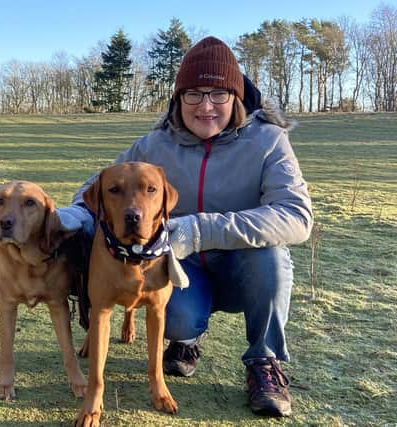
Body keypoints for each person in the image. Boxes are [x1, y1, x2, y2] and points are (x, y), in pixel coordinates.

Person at [57, 36, 312, 418]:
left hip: (242, 265)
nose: (205, 106)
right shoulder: (156, 144)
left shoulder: (268, 141)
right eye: (193, 94)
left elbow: (296, 216)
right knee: (172, 317)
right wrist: (76, 216)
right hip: (180, 268)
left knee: (271, 261)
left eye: (218, 94)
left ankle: (264, 362)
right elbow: (100, 186)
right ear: (177, 99)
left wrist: (199, 230)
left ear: (236, 97)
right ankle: (186, 340)